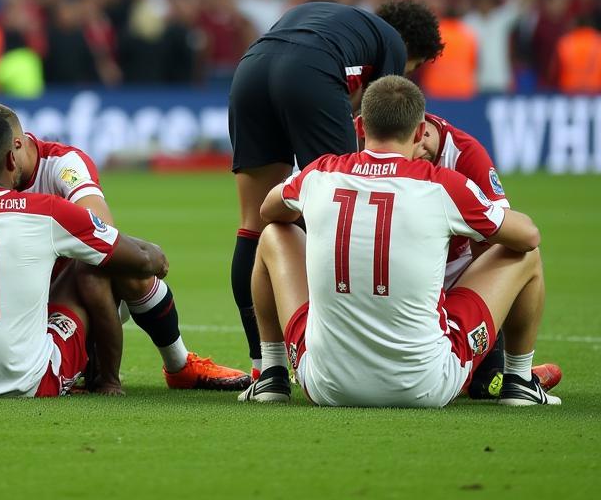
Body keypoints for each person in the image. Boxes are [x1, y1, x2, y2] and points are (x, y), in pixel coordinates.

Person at [239, 76, 559, 408]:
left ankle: (272, 376)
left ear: (360, 126)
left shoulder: (322, 173)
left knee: (275, 235)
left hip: (326, 384)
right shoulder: (444, 185)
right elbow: (527, 236)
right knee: (526, 255)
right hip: (426, 385)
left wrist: (314, 209)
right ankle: (520, 381)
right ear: (420, 133)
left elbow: (268, 209)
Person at [0, 103, 249, 392]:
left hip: (53, 287)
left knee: (101, 267)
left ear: (15, 149)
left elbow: (102, 228)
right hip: (5, 299)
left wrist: (34, 243)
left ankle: (178, 364)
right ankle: (93, 371)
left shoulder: (62, 163)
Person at [228, 0, 443, 377]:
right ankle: (340, 349)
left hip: (250, 70)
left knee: (254, 223)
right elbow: (380, 132)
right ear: (414, 54)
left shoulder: (337, 19)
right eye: (417, 68)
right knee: (345, 205)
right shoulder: (391, 43)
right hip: (309, 70)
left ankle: (264, 367)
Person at [416, 111, 561, 398]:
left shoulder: (465, 155)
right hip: (405, 283)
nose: (419, 150)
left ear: (422, 127)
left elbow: (500, 237)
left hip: (450, 280)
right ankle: (516, 378)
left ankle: (503, 370)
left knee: (514, 247)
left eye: (424, 140)